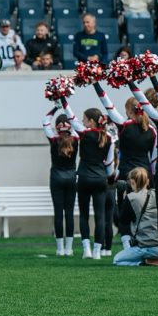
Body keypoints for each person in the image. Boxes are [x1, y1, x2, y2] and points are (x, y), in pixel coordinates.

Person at [62, 103, 115, 260]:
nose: (83, 122)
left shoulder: (84, 134)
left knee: (84, 214)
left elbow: (71, 118)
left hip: (84, 177)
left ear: (91, 121)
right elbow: (110, 165)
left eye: (85, 119)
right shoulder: (109, 138)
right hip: (100, 179)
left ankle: (87, 249)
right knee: (100, 215)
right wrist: (109, 178)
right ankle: (98, 251)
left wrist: (63, 100)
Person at [42, 109, 78, 256]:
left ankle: (60, 249)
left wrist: (55, 107)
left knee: (58, 212)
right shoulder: (76, 139)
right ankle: (69, 248)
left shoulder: (53, 139)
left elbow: (45, 122)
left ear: (57, 127)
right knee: (69, 213)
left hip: (56, 178)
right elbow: (76, 124)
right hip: (71, 178)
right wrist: (65, 104)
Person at [112, 167, 158, 265]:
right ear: (147, 181)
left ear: (132, 182)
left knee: (117, 260)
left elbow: (122, 220)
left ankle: (142, 262)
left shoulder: (131, 198)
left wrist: (121, 197)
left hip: (145, 246)